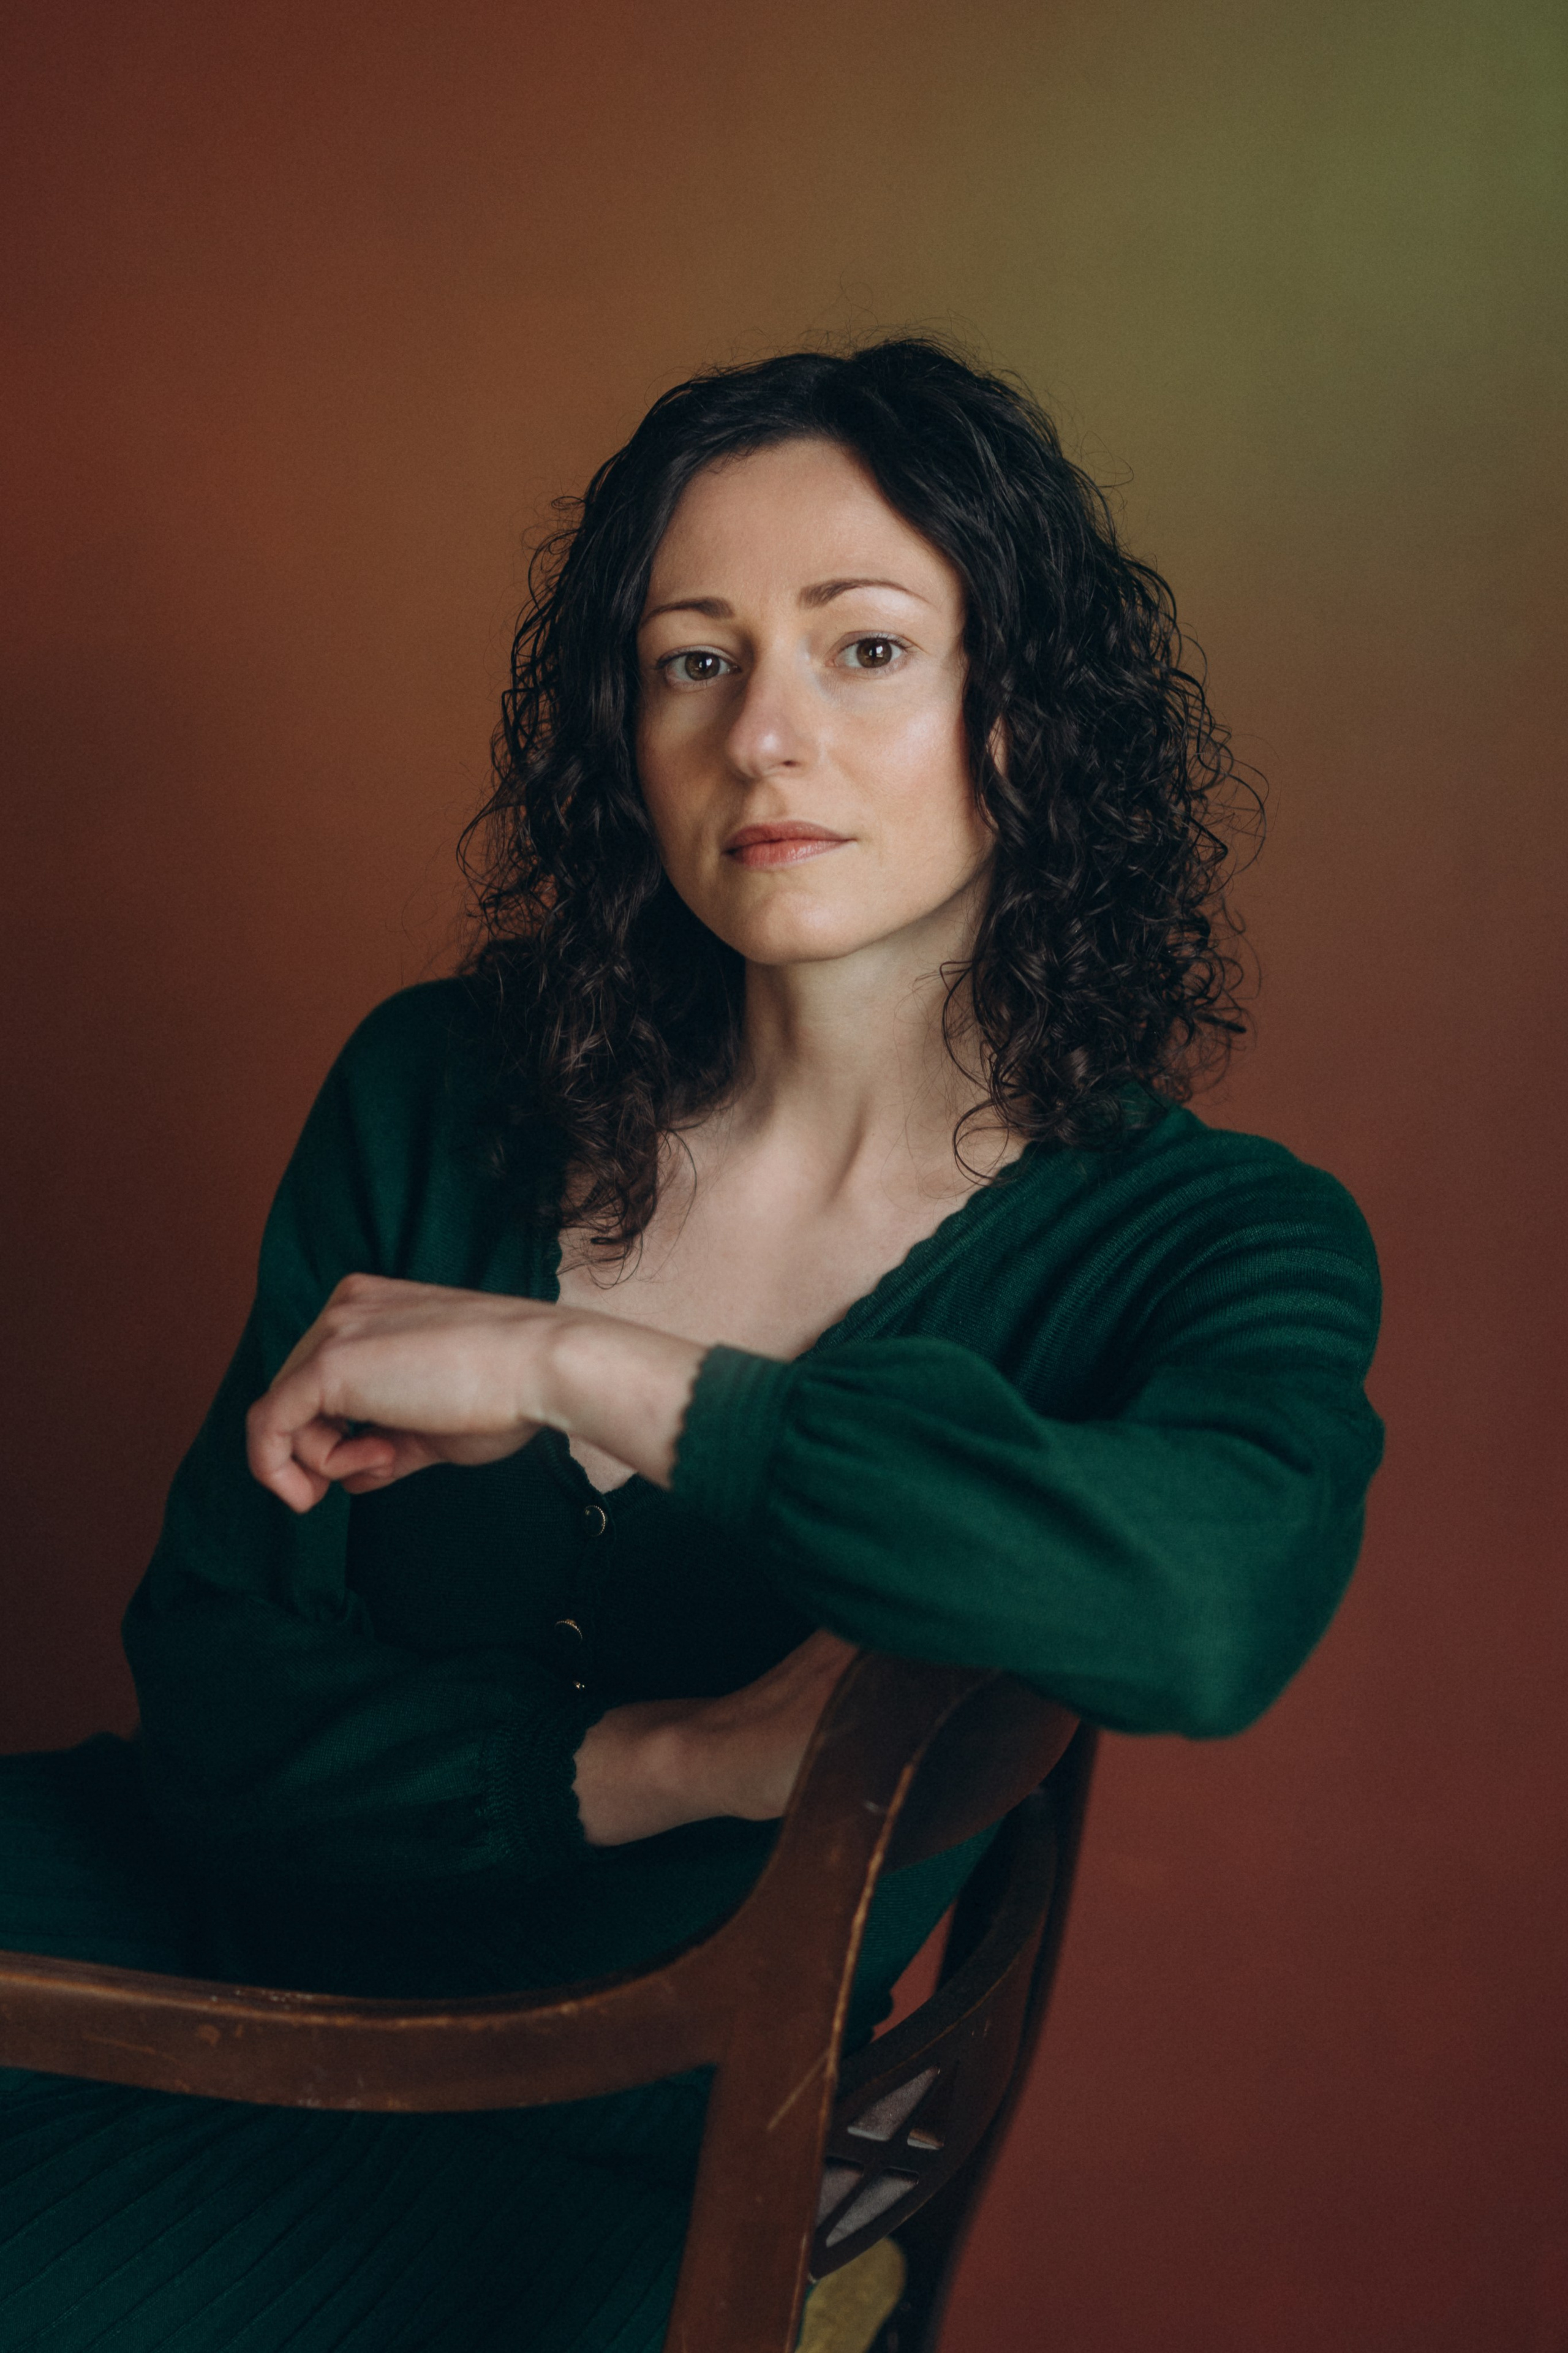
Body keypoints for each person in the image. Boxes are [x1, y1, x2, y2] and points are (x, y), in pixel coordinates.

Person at [0, 339, 1383, 2351]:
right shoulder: (444, 1082)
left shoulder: (1205, 1234)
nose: (767, 742)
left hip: (581, 2118)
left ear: (1028, 717)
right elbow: (213, 1688)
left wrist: (602, 1379)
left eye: (869, 649)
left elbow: (1197, 1611)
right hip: (176, 1921)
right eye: (694, 660)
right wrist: (675, 1762)